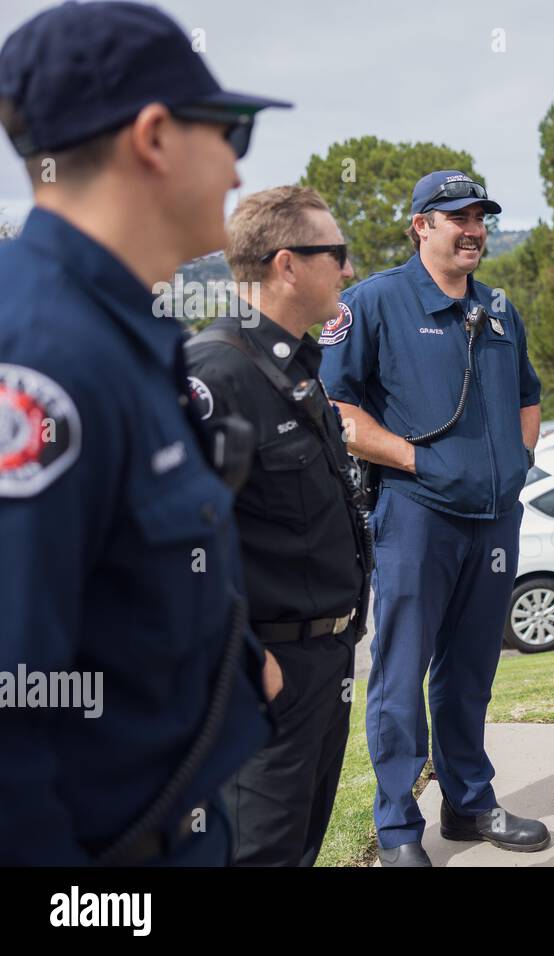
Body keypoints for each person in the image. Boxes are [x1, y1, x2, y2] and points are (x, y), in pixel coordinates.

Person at [0, 0, 289, 865]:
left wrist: (237, 661)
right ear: (155, 136)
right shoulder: (43, 359)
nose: (239, 175)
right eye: (230, 133)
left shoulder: (116, 328)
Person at [319, 170, 547, 865]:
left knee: (471, 668)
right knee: (400, 671)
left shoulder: (501, 309)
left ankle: (469, 803)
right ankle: (396, 826)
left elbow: (529, 399)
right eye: (458, 217)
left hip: (494, 518)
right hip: (416, 514)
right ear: (422, 225)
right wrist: (417, 464)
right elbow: (337, 411)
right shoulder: (373, 303)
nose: (473, 228)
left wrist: (515, 464)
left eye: (480, 216)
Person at [185, 186, 368, 866]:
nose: (347, 271)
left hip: (323, 661)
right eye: (337, 255)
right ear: (287, 264)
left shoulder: (295, 368)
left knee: (297, 849)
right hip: (265, 674)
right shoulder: (217, 373)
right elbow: (174, 546)